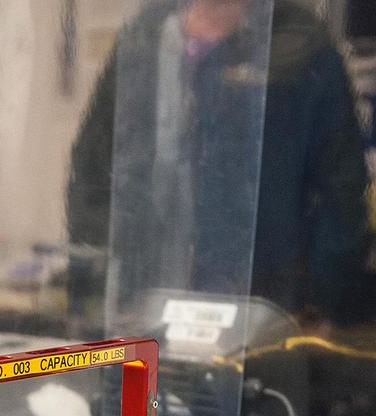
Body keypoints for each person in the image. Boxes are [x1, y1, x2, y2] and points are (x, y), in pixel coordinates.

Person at [68, 0, 371, 325]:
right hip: (148, 307)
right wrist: (107, 289)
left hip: (266, 311)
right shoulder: (146, 37)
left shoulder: (300, 43)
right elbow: (93, 173)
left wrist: (320, 304)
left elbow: (341, 190)